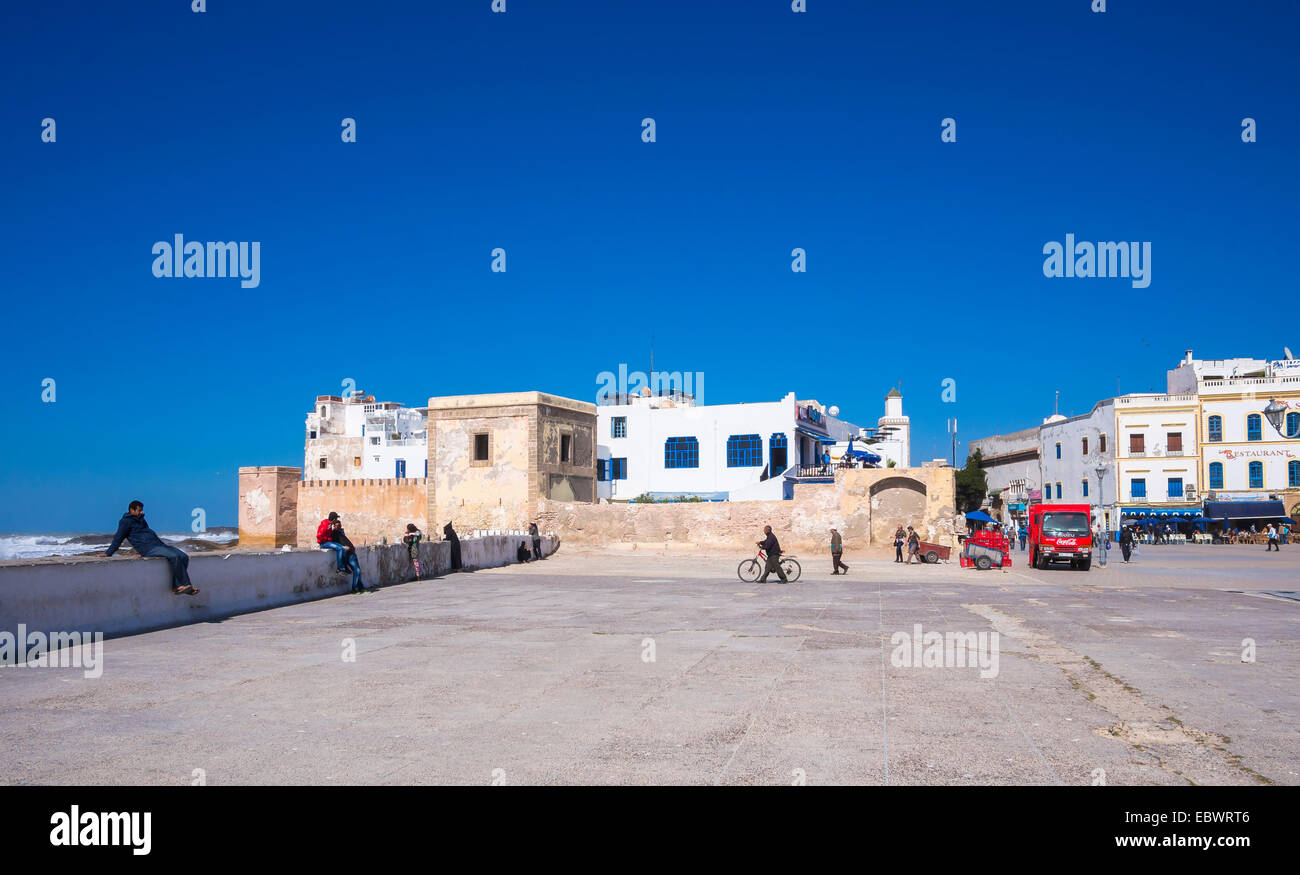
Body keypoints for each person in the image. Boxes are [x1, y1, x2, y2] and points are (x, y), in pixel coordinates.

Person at [102, 500, 199, 595]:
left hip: (157, 545)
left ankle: (178, 586)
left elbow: (148, 534)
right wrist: (108, 553)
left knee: (183, 556)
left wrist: (163, 546)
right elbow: (118, 538)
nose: (142, 512)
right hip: (148, 548)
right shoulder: (125, 522)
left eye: (141, 510)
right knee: (174, 556)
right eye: (139, 510)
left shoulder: (141, 520)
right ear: (132, 510)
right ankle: (185, 585)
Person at [317, 512, 374, 594]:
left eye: (340, 525)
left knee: (357, 571)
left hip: (352, 553)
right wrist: (343, 546)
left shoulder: (340, 532)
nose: (339, 526)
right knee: (357, 570)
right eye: (337, 524)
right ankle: (354, 587)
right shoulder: (333, 532)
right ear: (334, 524)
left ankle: (360, 587)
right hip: (348, 555)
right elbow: (323, 537)